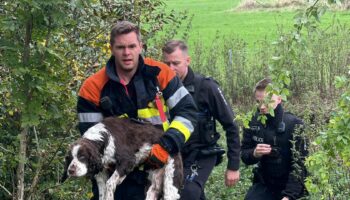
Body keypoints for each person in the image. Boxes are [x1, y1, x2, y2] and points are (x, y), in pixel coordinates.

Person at [77, 21, 197, 200]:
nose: (127, 53)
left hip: (159, 165)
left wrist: (168, 145)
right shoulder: (92, 87)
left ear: (141, 46)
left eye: (132, 46)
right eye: (121, 47)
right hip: (117, 177)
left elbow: (188, 112)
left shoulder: (160, 73)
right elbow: (91, 142)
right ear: (111, 48)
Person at [162, 40, 240, 200]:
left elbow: (231, 126)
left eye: (175, 63)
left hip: (202, 153)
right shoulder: (160, 89)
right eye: (167, 63)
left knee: (188, 193)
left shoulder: (206, 87)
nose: (171, 68)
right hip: (175, 154)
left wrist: (233, 166)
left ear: (187, 61)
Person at [241, 78, 308, 200]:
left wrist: (289, 196)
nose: (261, 106)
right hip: (265, 183)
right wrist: (254, 153)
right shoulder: (252, 121)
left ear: (279, 99)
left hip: (291, 185)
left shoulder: (294, 124)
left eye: (266, 101)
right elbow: (244, 155)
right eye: (258, 102)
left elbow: (300, 166)